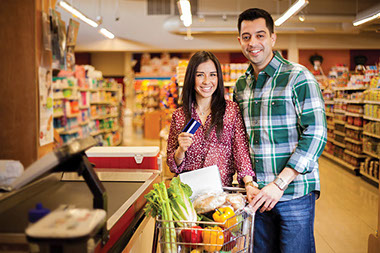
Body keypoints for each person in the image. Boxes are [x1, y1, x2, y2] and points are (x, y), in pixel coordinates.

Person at [234, 8, 327, 253]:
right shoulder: (242, 85)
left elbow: (316, 133)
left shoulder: (298, 77)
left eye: (260, 35)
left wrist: (279, 183)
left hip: (293, 194)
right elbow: (240, 138)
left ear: (273, 38)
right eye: (246, 36)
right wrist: (249, 182)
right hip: (256, 196)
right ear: (240, 40)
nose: (253, 43)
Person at [166, 51, 259, 194]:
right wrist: (180, 150)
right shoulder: (179, 116)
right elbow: (173, 165)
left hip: (220, 195)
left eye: (212, 74)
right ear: (191, 78)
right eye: (200, 75)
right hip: (188, 196)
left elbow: (241, 151)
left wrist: (249, 183)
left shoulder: (231, 111)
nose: (206, 81)